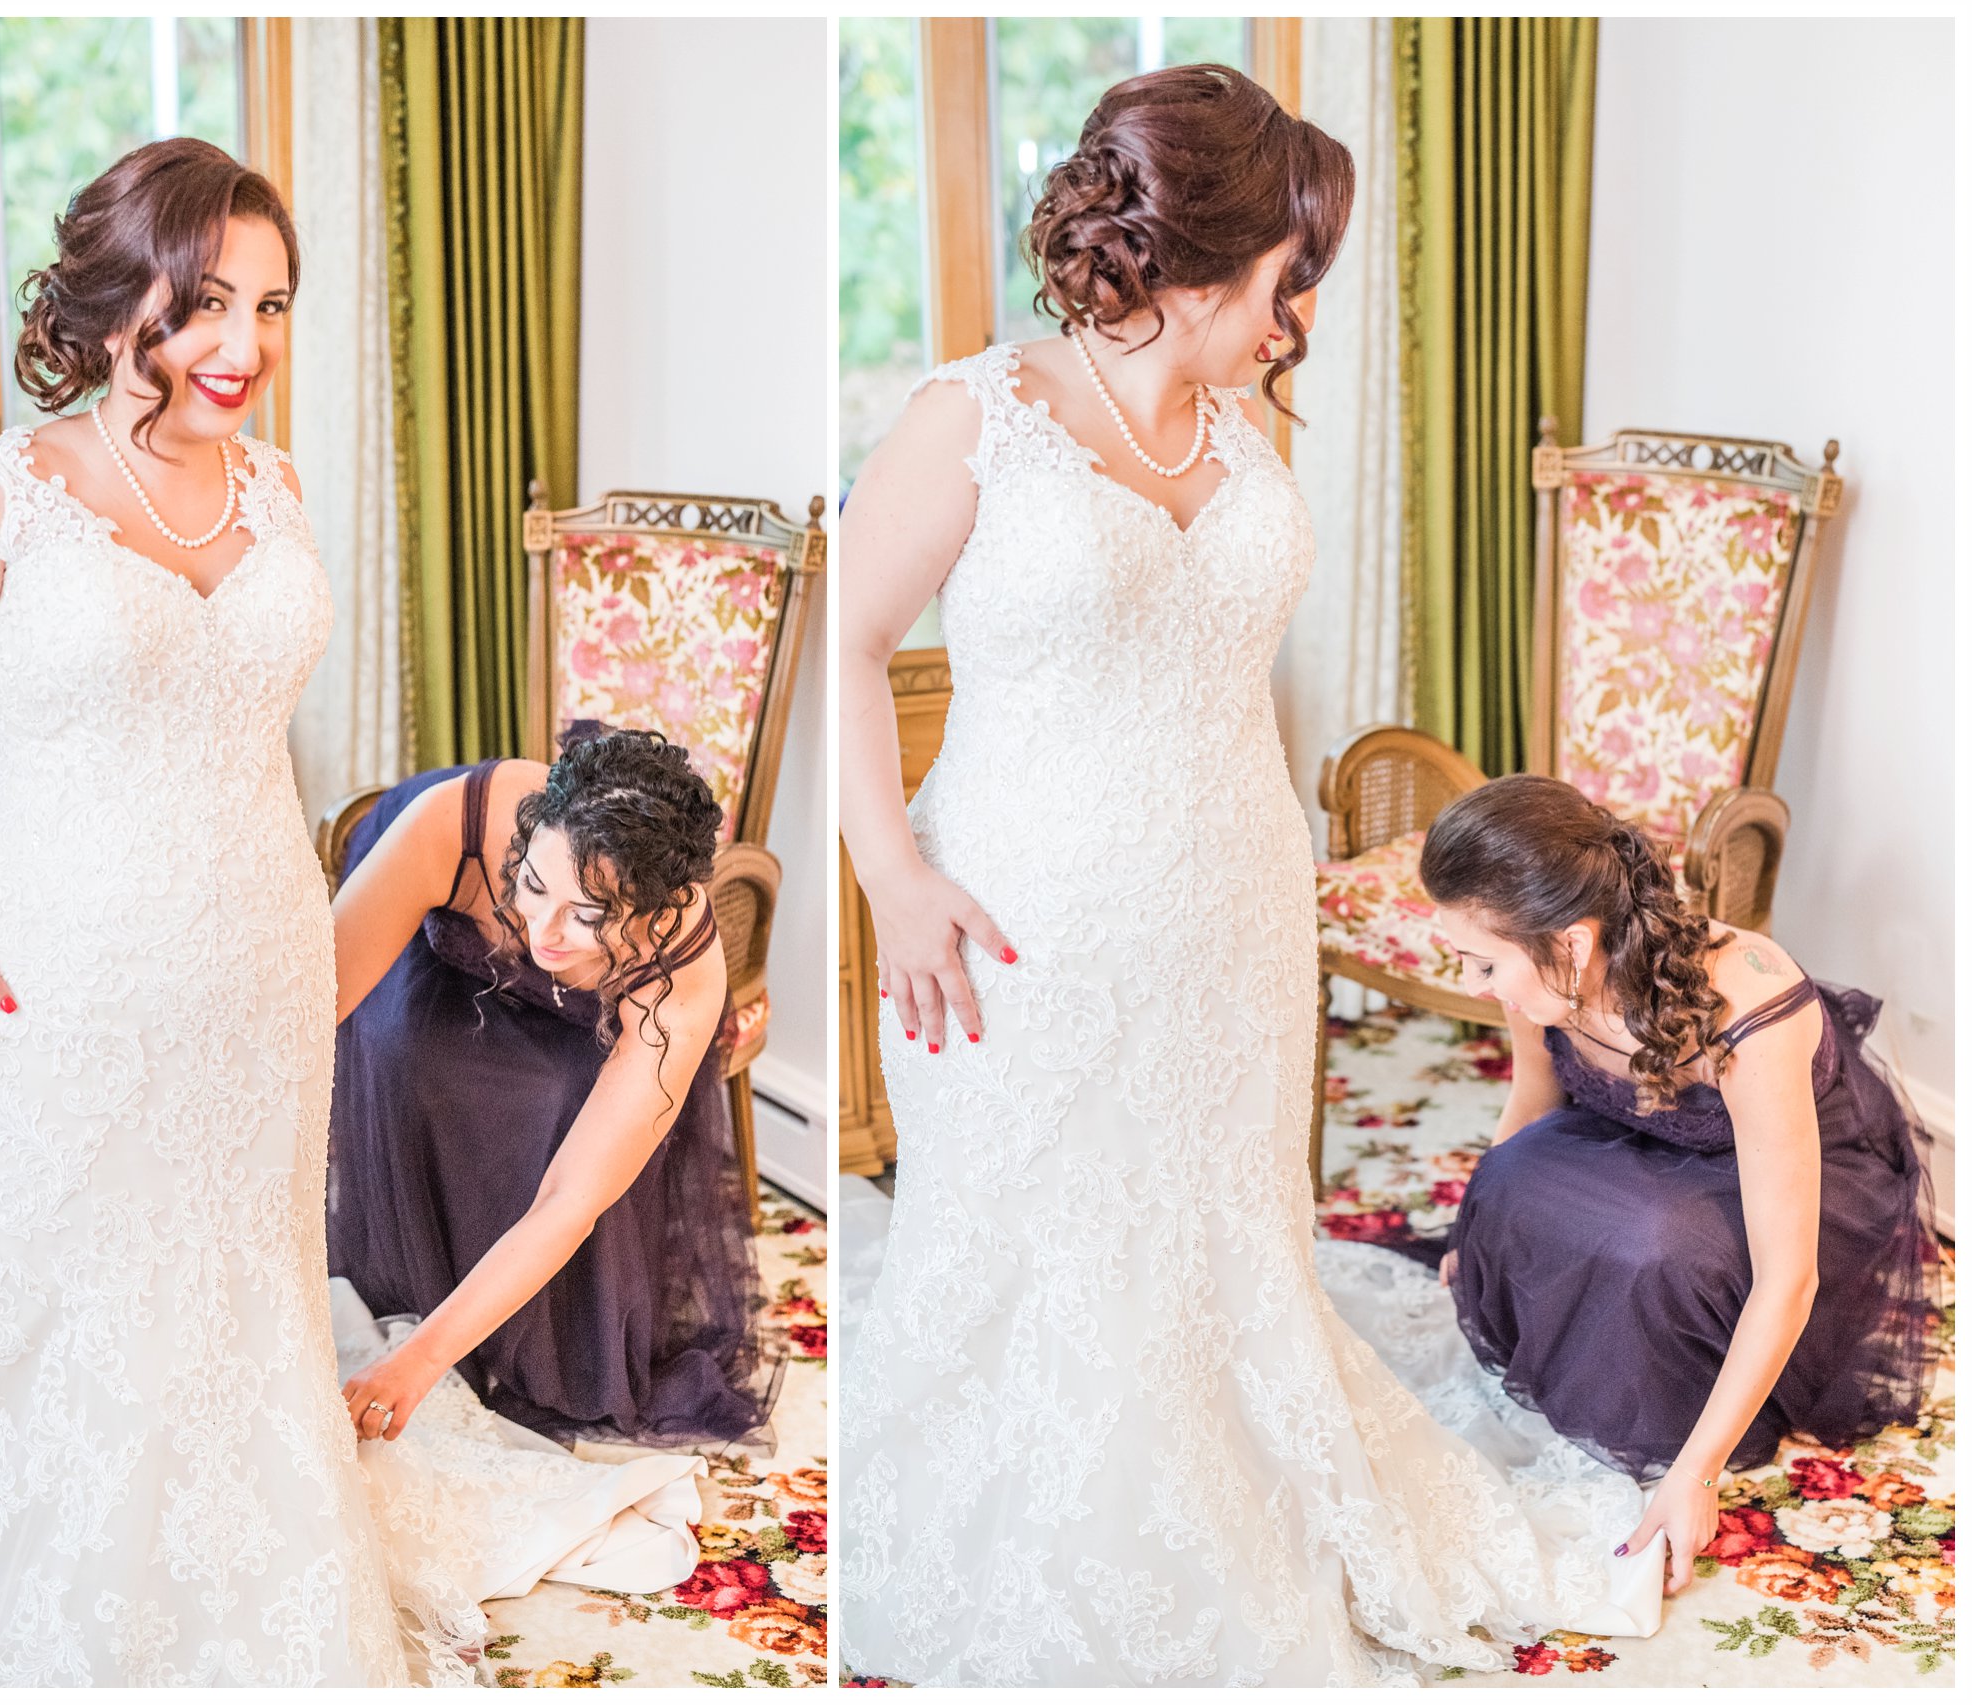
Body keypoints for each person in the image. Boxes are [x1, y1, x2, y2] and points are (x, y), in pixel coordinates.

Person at [0, 138, 700, 1688]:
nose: (243, 345)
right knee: (56, 1277)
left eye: (274, 303)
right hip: (50, 969)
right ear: (119, 307)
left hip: (250, 966)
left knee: (230, 1277)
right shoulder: (8, 495)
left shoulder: (281, 487)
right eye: (204, 303)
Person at [837, 65, 1660, 1686]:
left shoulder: (1242, 428)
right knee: (1049, 1238)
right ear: (1205, 254)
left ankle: (1245, 1481)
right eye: (1293, 274)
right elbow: (855, 645)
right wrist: (890, 874)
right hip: (1020, 919)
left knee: (1217, 1227)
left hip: (1229, 907)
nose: (1299, 315)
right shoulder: (976, 413)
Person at [1418, 773, 1939, 1563]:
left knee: (1659, 1245)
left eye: (1481, 965)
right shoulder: (1542, 970)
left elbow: (1786, 1278)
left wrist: (1694, 1476)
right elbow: (1530, 1105)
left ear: (1571, 943)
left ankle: (1685, 1389)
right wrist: (1472, 1230)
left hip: (1786, 1173)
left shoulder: (1749, 1013)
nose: (1471, 983)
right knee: (1508, 1180)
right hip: (1632, 1130)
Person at [327, 729, 780, 1448]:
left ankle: (537, 1338)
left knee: (567, 1098)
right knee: (404, 1049)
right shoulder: (455, 824)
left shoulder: (682, 978)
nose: (544, 931)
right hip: (437, 911)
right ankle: (409, 1272)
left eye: (587, 915)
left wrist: (415, 1363)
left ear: (657, 915)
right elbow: (314, 1013)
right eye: (535, 888)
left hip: (605, 985)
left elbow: (571, 1199)